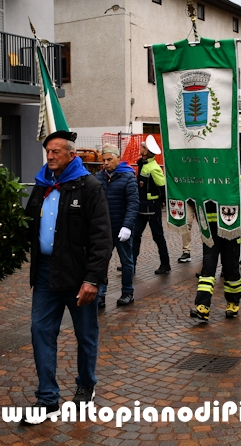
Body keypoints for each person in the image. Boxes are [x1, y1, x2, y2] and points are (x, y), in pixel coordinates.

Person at [23, 130, 112, 424]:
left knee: (85, 334)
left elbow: (102, 237)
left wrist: (92, 280)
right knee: (40, 331)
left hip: (78, 276)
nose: (50, 156)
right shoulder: (41, 185)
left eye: (56, 152)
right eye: (48, 151)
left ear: (71, 155)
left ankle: (86, 383)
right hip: (46, 274)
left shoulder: (88, 186)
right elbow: (28, 226)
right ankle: (47, 397)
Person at [95, 144, 139, 308]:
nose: (105, 163)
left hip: (122, 228)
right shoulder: (99, 177)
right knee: (102, 261)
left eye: (109, 159)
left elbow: (133, 204)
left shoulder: (128, 177)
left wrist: (127, 226)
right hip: (104, 229)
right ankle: (100, 294)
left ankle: (128, 292)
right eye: (103, 160)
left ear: (117, 159)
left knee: (126, 261)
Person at [190, 201, 241, 321]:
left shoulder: (235, 180)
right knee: (208, 267)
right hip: (210, 227)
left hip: (230, 224)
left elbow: (239, 188)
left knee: (230, 268)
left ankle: (233, 302)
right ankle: (203, 305)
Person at [132, 135, 171, 274]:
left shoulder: (154, 168)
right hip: (141, 207)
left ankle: (165, 264)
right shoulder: (143, 164)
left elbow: (162, 187)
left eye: (143, 147)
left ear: (147, 152)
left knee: (158, 236)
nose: (140, 148)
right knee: (135, 235)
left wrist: (163, 202)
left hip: (152, 207)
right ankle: (131, 264)